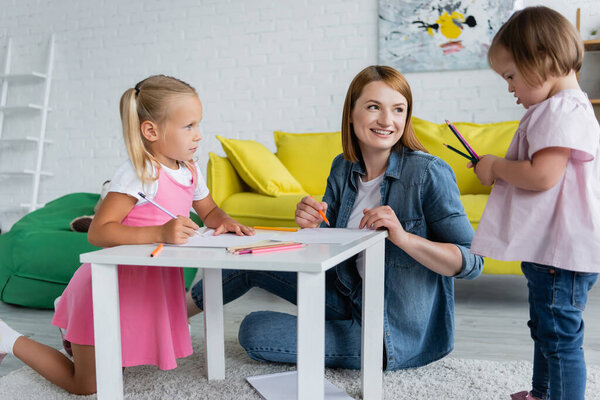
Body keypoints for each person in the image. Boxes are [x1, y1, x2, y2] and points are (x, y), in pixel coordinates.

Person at [186, 65, 483, 370]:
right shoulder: (343, 167)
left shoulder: (428, 173)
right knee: (249, 260)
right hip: (345, 296)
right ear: (351, 113)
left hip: (389, 333)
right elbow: (332, 247)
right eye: (373, 107)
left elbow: (471, 263)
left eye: (398, 109)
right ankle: (172, 319)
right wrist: (313, 226)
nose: (386, 120)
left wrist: (403, 238)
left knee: (255, 331)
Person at [0, 74, 253, 395]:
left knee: (119, 364)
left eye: (198, 125)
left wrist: (225, 221)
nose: (199, 135)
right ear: (151, 131)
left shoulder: (190, 169)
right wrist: (161, 231)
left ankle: (71, 324)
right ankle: (9, 338)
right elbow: (99, 231)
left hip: (141, 292)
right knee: (86, 385)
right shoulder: (139, 172)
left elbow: (210, 211)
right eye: (189, 126)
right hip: (105, 289)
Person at [469, 7, 600, 400]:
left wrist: (495, 166)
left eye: (510, 77)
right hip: (553, 250)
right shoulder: (564, 108)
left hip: (560, 254)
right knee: (547, 328)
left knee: (559, 338)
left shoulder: (559, 109)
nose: (510, 88)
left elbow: (543, 175)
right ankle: (542, 392)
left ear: (542, 59)